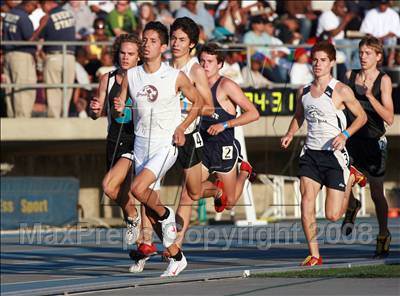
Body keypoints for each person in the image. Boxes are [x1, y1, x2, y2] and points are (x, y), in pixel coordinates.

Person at [114, 21, 204, 277]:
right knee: (148, 209)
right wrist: (118, 108)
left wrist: (182, 127)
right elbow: (121, 103)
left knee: (136, 190)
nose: (146, 45)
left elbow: (198, 103)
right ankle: (177, 256)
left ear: (163, 47)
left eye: (153, 41)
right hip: (141, 144)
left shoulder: (174, 76)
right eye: (144, 40)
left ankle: (167, 216)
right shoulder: (132, 75)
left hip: (165, 144)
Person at [281, 41, 367, 266]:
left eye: (323, 60)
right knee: (306, 202)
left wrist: (345, 135)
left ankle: (350, 177)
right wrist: (290, 133)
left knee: (332, 215)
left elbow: (361, 117)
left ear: (331, 63)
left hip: (334, 155)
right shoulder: (304, 91)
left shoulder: (341, 90)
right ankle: (315, 254)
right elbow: (299, 116)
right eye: (315, 60)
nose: (318, 64)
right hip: (310, 153)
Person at [341, 36, 394, 258]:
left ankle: (383, 234)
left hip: (374, 141)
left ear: (378, 56)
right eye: (361, 53)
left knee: (376, 192)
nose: (363, 57)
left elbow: (389, 117)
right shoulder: (349, 75)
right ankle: (352, 206)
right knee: (341, 182)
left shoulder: (383, 80)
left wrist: (370, 96)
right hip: (352, 139)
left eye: (368, 53)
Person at [89, 33, 141, 244]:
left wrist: (128, 106)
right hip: (113, 140)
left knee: (109, 186)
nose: (125, 57)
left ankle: (135, 218)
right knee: (120, 192)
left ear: (139, 57)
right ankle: (140, 246)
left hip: (135, 140)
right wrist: (94, 109)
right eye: (122, 53)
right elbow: (97, 112)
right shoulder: (107, 79)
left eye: (130, 54)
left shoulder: (143, 79)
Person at [198, 43, 259, 212]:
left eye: (209, 61)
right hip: (203, 145)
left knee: (229, 204)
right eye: (202, 61)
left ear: (220, 64)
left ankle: (245, 171)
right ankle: (216, 192)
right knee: (193, 190)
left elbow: (253, 113)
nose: (204, 65)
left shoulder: (226, 86)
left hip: (223, 146)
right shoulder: (195, 85)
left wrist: (224, 125)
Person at [32, 0, 76, 118]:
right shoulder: (69, 13)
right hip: (70, 56)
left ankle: (54, 119)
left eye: (42, 6)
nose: (41, 9)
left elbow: (36, 37)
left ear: (47, 3)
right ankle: (65, 116)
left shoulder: (47, 17)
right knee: (68, 89)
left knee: (53, 89)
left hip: (54, 56)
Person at [2, 0, 37, 118]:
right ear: (28, 4)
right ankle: (22, 119)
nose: (35, 8)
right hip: (21, 56)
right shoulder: (23, 17)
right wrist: (41, 27)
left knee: (10, 88)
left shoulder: (9, 14)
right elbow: (29, 37)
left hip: (8, 54)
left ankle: (12, 116)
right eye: (34, 5)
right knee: (23, 88)